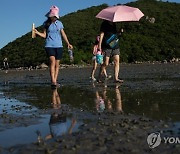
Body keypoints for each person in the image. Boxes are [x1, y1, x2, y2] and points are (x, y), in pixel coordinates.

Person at [34, 5, 73, 88]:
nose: (55, 17)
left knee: (57, 64)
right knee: (52, 62)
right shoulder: (45, 24)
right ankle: (53, 81)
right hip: (49, 45)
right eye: (53, 16)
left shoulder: (59, 23)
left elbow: (63, 34)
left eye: (56, 16)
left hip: (59, 45)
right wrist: (37, 33)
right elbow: (44, 35)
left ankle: (55, 80)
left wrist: (68, 43)